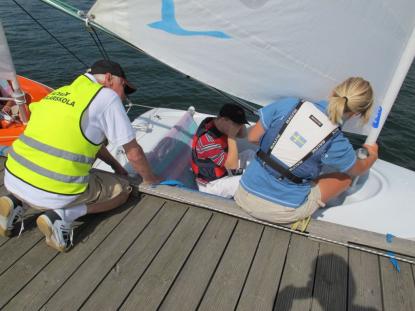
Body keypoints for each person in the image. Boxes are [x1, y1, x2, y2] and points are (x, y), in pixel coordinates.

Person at [0, 59, 160, 252]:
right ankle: (63, 215)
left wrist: (117, 167)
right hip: (55, 190)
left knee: (45, 176)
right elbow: (134, 154)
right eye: (123, 87)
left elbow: (92, 142)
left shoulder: (59, 93)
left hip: (13, 176)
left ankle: (17, 201)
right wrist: (151, 180)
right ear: (109, 78)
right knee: (124, 190)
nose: (124, 96)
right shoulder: (107, 97)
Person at [235, 77, 378, 224]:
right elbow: (357, 170)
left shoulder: (289, 104)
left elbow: (252, 137)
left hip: (243, 194)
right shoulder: (337, 141)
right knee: (345, 180)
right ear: (356, 114)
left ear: (333, 92)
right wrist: (372, 155)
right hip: (281, 213)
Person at [191, 103, 254, 198]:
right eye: (236, 124)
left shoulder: (216, 122)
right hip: (211, 185)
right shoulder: (207, 141)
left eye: (240, 124)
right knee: (245, 179)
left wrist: (239, 124)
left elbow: (243, 135)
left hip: (224, 170)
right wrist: (231, 137)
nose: (238, 127)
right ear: (224, 120)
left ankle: (263, 175)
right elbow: (232, 166)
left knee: (249, 153)